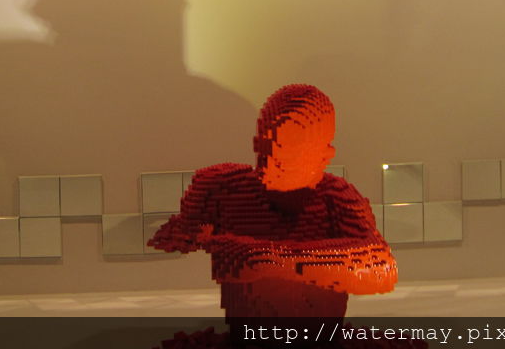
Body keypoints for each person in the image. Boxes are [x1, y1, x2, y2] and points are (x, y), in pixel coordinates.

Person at [149, 84, 397, 326]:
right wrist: (200, 236)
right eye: (270, 144)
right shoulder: (221, 187)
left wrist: (270, 260)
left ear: (325, 154)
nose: (275, 159)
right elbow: (173, 238)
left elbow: (380, 268)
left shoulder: (336, 196)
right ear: (258, 142)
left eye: (293, 148)